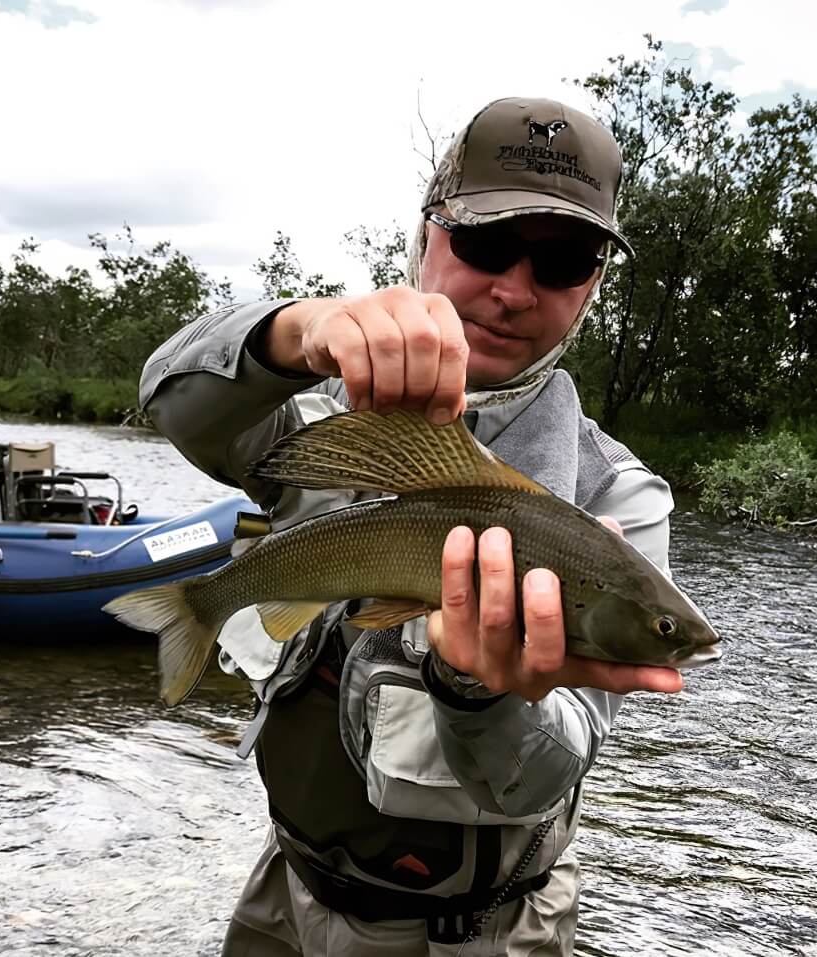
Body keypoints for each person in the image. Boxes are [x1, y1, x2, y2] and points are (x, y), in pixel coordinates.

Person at [141, 97, 691, 955]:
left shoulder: (616, 501)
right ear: (428, 232)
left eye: (563, 260)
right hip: (287, 891)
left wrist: (481, 692)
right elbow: (174, 406)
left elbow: (550, 772)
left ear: (592, 284)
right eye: (484, 242)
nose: (513, 289)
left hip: (481, 934)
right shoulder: (318, 410)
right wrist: (297, 329)